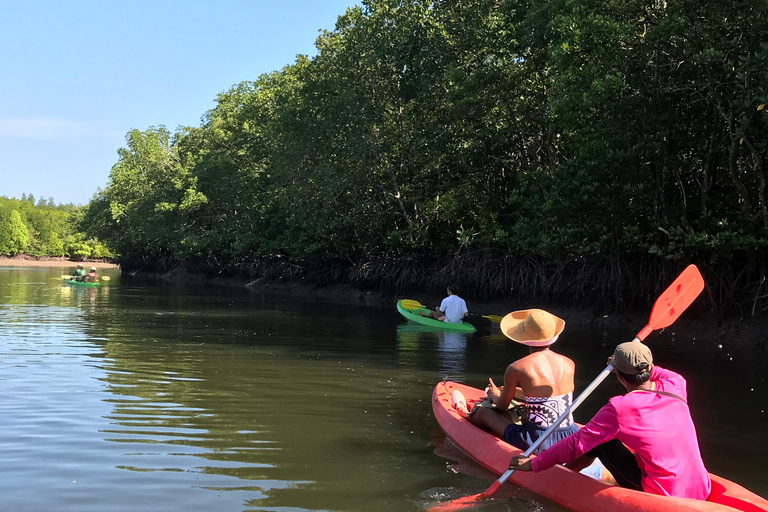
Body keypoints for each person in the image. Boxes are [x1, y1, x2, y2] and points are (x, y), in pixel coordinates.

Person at [509, 341, 711, 501]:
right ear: (648, 367)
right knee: (599, 438)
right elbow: (654, 370)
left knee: (598, 442)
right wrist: (627, 362)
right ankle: (568, 473)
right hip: (701, 488)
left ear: (619, 376)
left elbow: (577, 442)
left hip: (661, 494)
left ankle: (564, 476)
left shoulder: (619, 408)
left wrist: (536, 463)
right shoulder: (677, 384)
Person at [460, 309, 578, 453]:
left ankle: (464, 420)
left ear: (525, 336)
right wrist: (510, 390)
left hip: (538, 439)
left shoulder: (517, 367)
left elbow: (502, 405)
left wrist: (493, 395)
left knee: (484, 412)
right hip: (570, 433)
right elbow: (546, 398)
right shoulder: (569, 363)